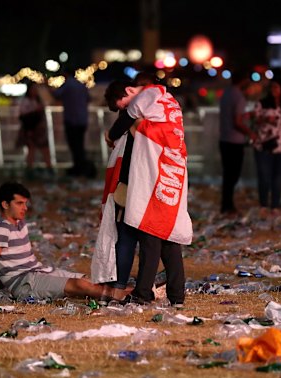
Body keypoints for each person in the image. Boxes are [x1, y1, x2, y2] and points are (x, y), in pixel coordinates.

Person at [94, 79, 192, 307]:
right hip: (171, 176)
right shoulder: (169, 106)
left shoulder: (148, 96)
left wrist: (112, 134)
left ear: (130, 92)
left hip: (155, 180)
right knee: (169, 239)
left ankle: (142, 294)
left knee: (149, 237)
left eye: (123, 105)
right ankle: (177, 296)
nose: (124, 112)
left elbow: (128, 121)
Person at [0, 181, 104, 300]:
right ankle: (121, 299)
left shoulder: (20, 223)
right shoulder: (1, 229)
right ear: (5, 204)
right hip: (26, 283)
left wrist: (1, 288)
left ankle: (120, 293)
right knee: (80, 285)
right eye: (19, 203)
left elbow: (8, 262)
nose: (25, 208)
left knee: (87, 280)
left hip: (38, 272)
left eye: (25, 203)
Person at [94, 73, 157, 304]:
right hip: (147, 183)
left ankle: (122, 285)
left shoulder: (131, 116)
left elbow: (116, 140)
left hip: (131, 184)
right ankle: (140, 288)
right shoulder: (159, 110)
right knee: (147, 240)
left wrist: (111, 136)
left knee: (129, 237)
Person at [252, 77, 281, 216]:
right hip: (264, 145)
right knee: (264, 176)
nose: (274, 90)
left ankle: (275, 205)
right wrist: (265, 119)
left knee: (279, 177)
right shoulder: (262, 104)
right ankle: (263, 204)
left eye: (277, 87)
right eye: (272, 87)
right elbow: (255, 120)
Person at [218, 69, 257, 215]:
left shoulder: (226, 93)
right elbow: (237, 122)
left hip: (224, 139)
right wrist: (251, 133)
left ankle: (226, 204)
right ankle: (228, 206)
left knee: (227, 174)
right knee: (233, 175)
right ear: (244, 80)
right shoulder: (239, 97)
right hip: (234, 141)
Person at [52, 67, 96, 178]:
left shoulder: (67, 85)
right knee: (80, 145)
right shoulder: (81, 85)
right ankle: (81, 167)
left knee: (74, 145)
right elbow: (88, 98)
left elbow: (57, 94)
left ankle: (78, 168)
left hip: (71, 119)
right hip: (82, 119)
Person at [17, 83, 53, 180]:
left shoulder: (38, 101)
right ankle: (29, 171)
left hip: (39, 130)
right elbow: (24, 116)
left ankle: (49, 170)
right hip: (31, 129)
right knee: (31, 150)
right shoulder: (26, 102)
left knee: (45, 150)